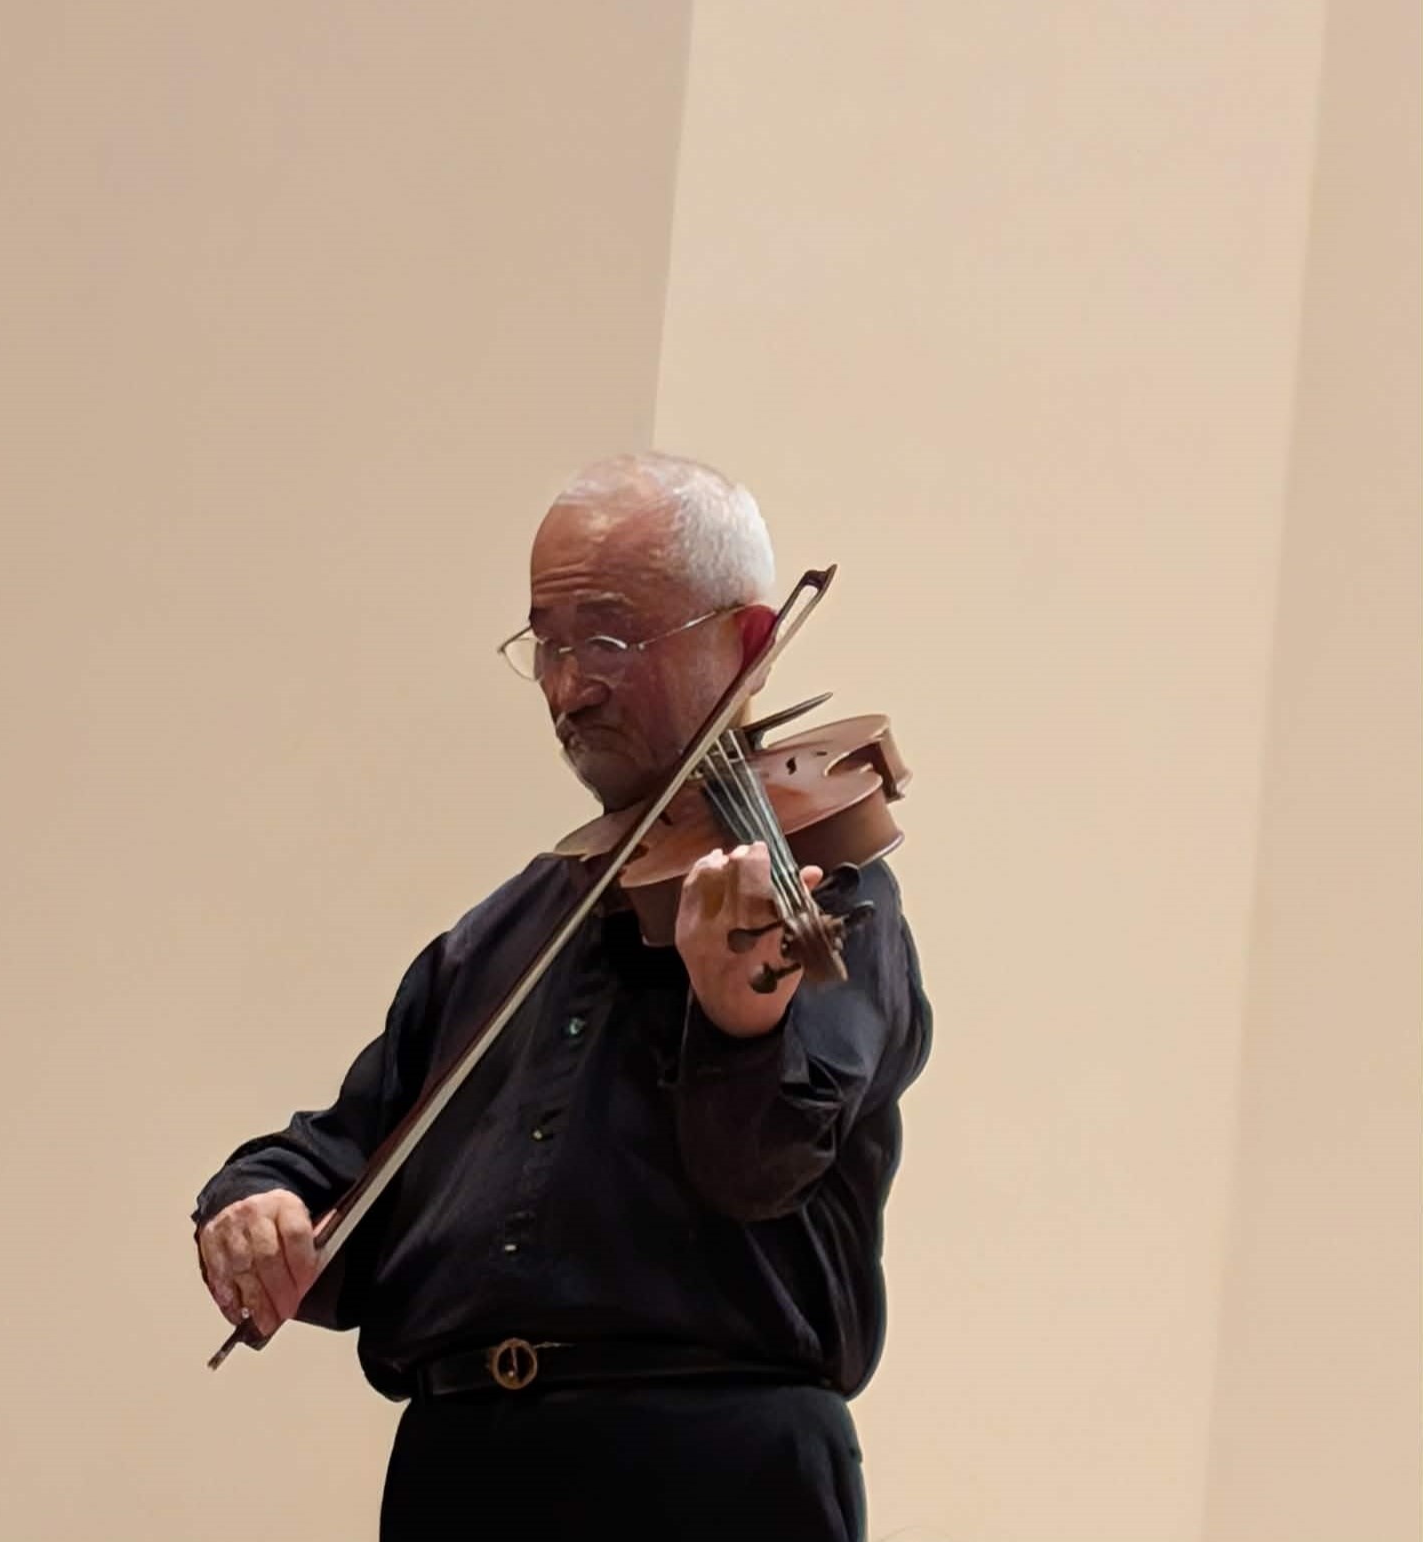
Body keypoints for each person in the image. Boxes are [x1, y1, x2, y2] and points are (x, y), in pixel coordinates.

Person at [192, 452, 933, 1541]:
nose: (568, 688)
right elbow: (340, 1159)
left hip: (713, 1473)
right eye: (549, 642)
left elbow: (761, 1169)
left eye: (612, 642)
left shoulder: (826, 892)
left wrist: (740, 1024)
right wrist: (257, 1204)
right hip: (463, 1468)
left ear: (749, 643)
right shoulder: (496, 937)